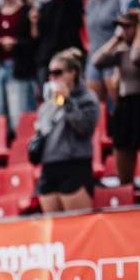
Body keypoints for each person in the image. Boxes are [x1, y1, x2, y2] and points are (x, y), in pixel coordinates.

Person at [92, 11, 140, 184]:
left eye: (128, 26)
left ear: (138, 27)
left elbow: (137, 57)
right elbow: (97, 61)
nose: (124, 30)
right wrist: (116, 39)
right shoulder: (120, 52)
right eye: (121, 26)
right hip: (125, 107)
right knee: (124, 175)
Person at [33, 48, 100, 212]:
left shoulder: (87, 98)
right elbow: (42, 129)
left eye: (57, 72)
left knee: (78, 227)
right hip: (49, 167)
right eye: (50, 73)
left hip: (74, 166)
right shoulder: (49, 101)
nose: (52, 77)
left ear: (72, 73)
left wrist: (68, 103)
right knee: (53, 230)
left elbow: (84, 129)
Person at [0, 0, 38, 136]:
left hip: (19, 70)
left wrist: (16, 44)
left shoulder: (27, 12)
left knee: (19, 120)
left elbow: (36, 44)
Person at [32, 0, 86, 84]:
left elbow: (77, 23)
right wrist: (34, 22)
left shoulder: (74, 1)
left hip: (70, 58)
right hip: (47, 59)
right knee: (49, 95)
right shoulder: (46, 6)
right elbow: (37, 35)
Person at [85, 0, 124, 106]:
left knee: (117, 102)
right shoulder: (91, 1)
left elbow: (122, 28)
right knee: (96, 105)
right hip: (93, 56)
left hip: (111, 56)